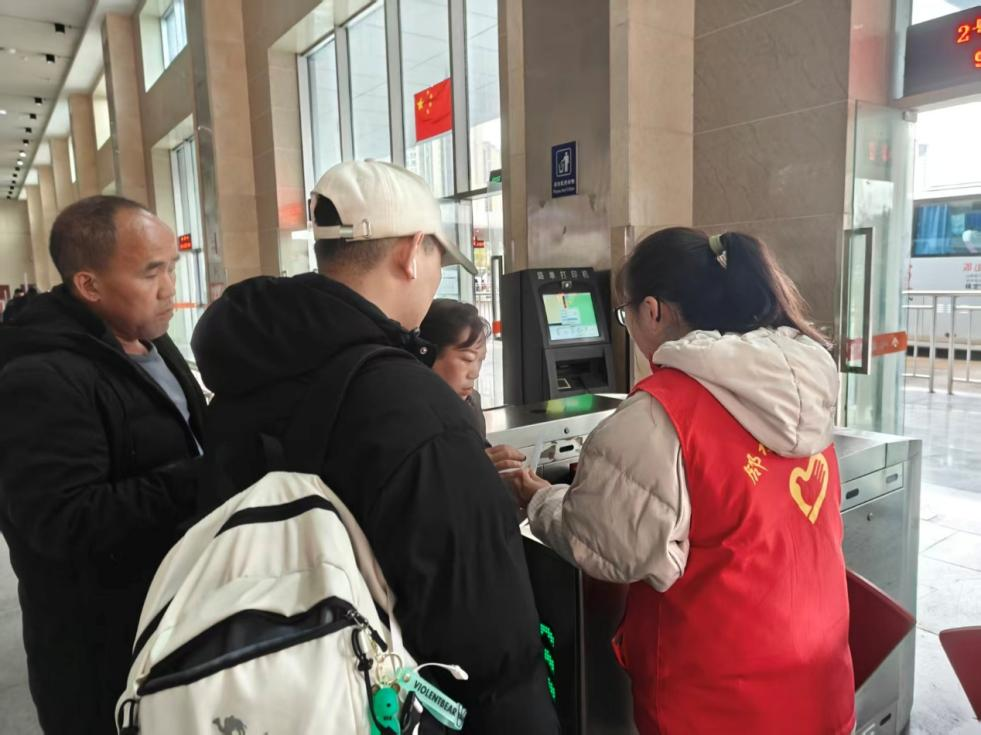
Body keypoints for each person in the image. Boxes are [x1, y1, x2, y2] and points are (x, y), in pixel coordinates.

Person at [192, 161, 560, 734]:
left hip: (277, 693)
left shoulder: (243, 376)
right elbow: (488, 644)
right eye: (437, 259)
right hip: (391, 705)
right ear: (411, 254)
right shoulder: (413, 407)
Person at [511, 228, 855, 734]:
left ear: (652, 311)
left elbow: (609, 545)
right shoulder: (803, 387)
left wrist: (541, 498)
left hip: (716, 701)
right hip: (818, 682)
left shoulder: (659, 414)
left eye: (625, 314)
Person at [0, 196, 207, 734]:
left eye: (172, 267)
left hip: (173, 620)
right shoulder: (39, 377)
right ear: (89, 285)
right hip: (99, 656)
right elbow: (62, 522)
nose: (170, 288)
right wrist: (203, 478)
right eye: (151, 272)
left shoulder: (150, 340)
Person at [420, 298, 490, 436]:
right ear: (428, 355)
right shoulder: (406, 413)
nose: (475, 374)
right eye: (467, 359)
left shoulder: (472, 401)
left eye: (481, 360)